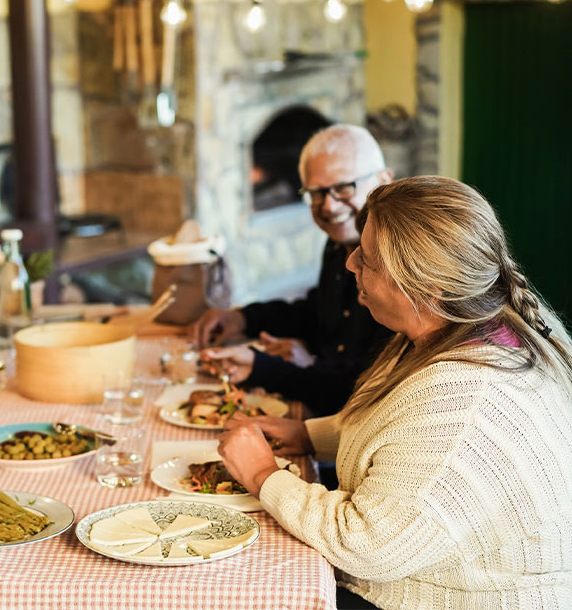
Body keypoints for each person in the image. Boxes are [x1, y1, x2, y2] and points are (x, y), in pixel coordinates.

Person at [218, 176, 572, 607]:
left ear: (426, 289)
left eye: (366, 260)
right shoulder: (452, 332)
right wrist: (309, 435)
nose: (349, 265)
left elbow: (366, 545)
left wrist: (261, 476)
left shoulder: (466, 405)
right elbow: (404, 430)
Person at [194, 124, 394, 416]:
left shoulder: (397, 267)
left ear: (383, 180)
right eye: (316, 192)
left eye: (342, 187)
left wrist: (282, 367)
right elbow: (318, 313)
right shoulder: (339, 243)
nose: (328, 205)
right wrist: (242, 318)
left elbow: (368, 389)